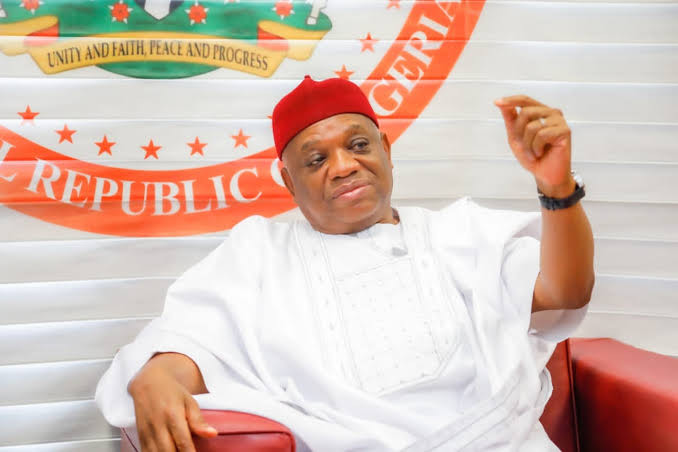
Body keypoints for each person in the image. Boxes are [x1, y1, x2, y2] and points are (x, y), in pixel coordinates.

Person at [96, 75, 595, 451]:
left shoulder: (460, 231)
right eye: (316, 160)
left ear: (387, 151)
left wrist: (556, 188)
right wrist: (159, 377)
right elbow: (191, 341)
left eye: (358, 145)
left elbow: (564, 292)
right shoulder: (259, 254)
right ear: (288, 182)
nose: (343, 166)